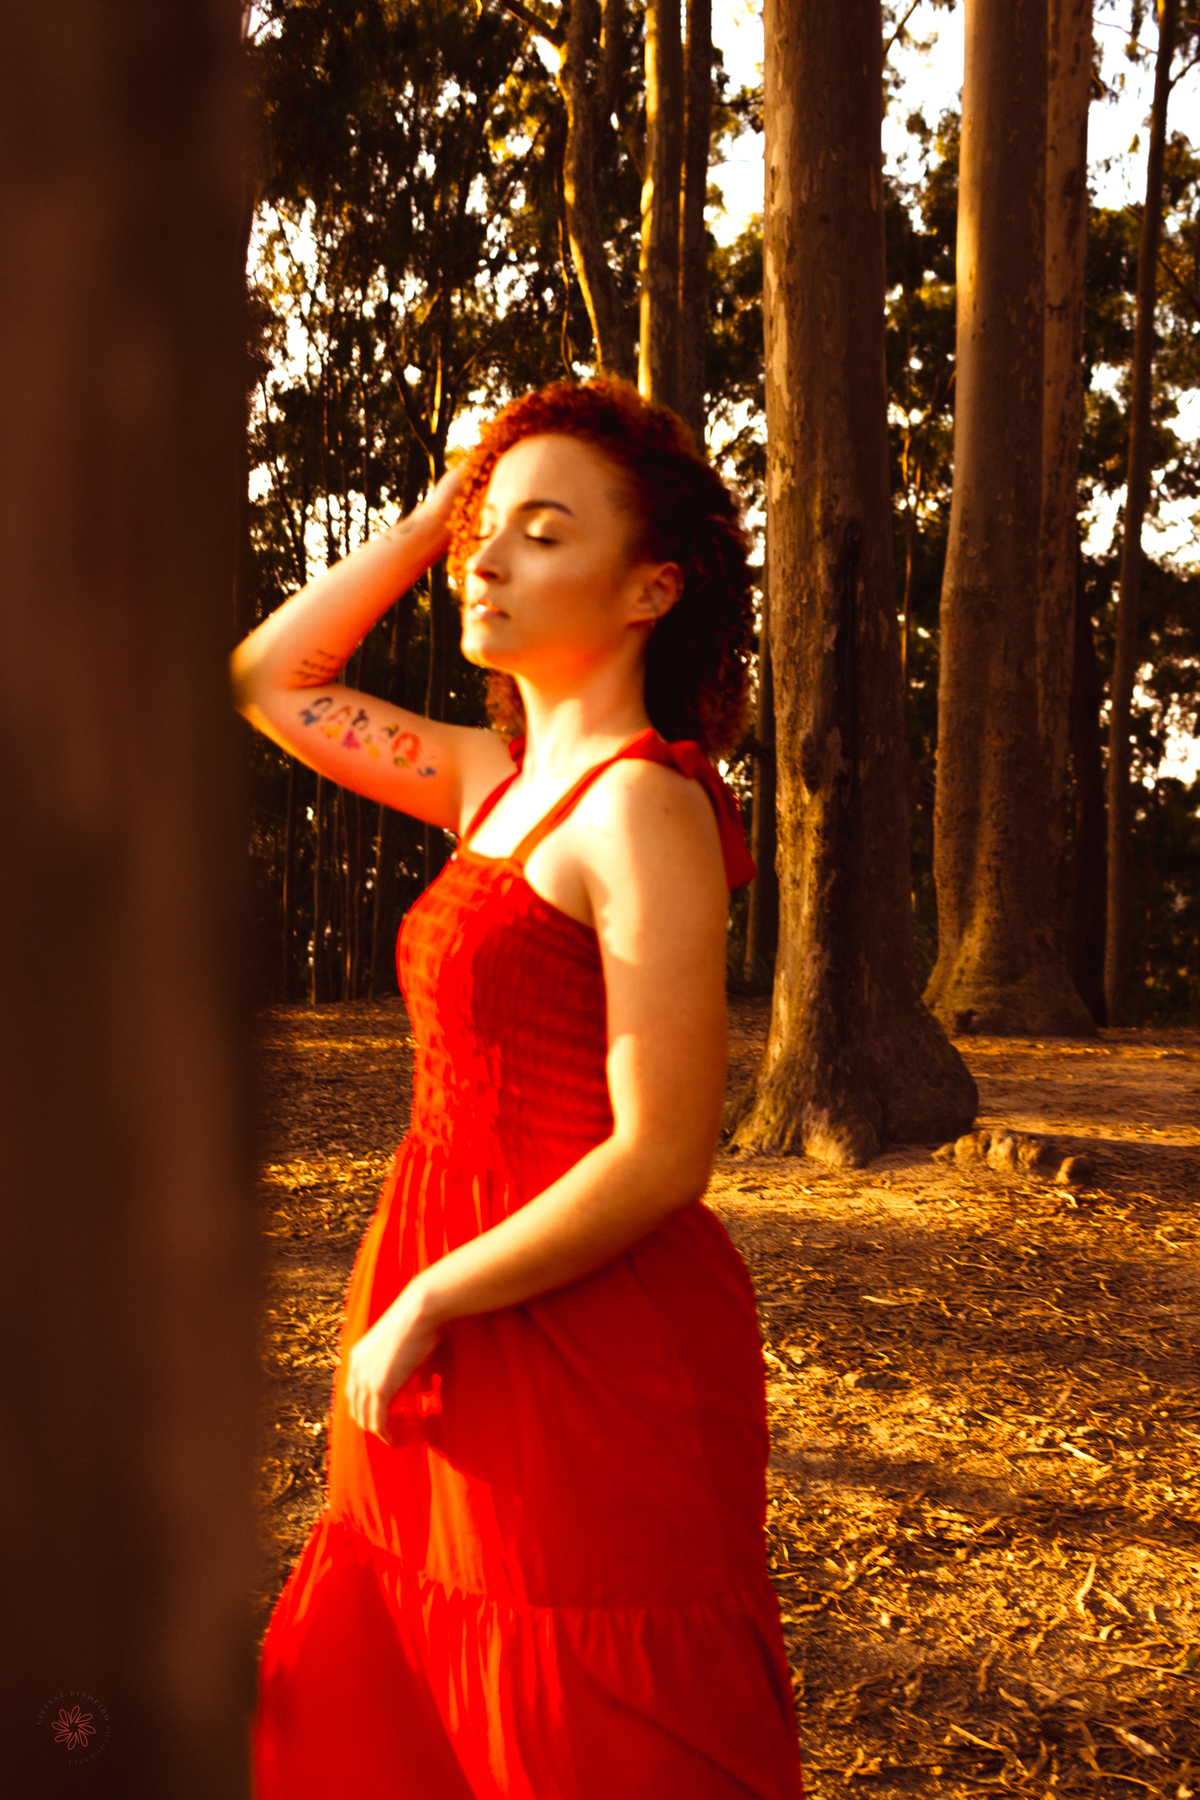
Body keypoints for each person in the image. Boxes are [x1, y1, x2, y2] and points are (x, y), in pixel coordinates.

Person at [235, 378, 805, 1800]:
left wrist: (433, 1298)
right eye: (486, 531)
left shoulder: (644, 806)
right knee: (408, 1700)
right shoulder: (489, 779)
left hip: (575, 1332)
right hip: (438, 1287)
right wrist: (447, 507)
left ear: (652, 589)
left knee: (573, 1728)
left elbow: (663, 1152)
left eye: (542, 534)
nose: (489, 559)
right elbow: (270, 680)